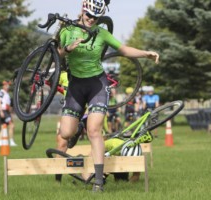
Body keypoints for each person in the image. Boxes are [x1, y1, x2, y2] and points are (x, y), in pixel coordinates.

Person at [57, 0, 159, 192]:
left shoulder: (101, 33)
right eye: (89, 15)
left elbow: (123, 49)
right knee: (65, 133)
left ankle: (98, 180)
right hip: (76, 85)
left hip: (97, 84)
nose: (91, 19)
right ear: (82, 10)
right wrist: (67, 49)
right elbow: (58, 54)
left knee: (94, 130)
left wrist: (145, 54)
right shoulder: (67, 30)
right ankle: (78, 126)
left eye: (95, 17)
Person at [0, 80, 17, 146]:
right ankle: (11, 141)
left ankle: (0, 142)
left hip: (7, 112)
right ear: (4, 85)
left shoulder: (7, 94)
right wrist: (0, 111)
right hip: (3, 111)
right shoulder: (1, 92)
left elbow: (8, 104)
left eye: (8, 85)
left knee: (3, 126)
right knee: (12, 126)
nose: (8, 87)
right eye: (6, 85)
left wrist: (10, 113)